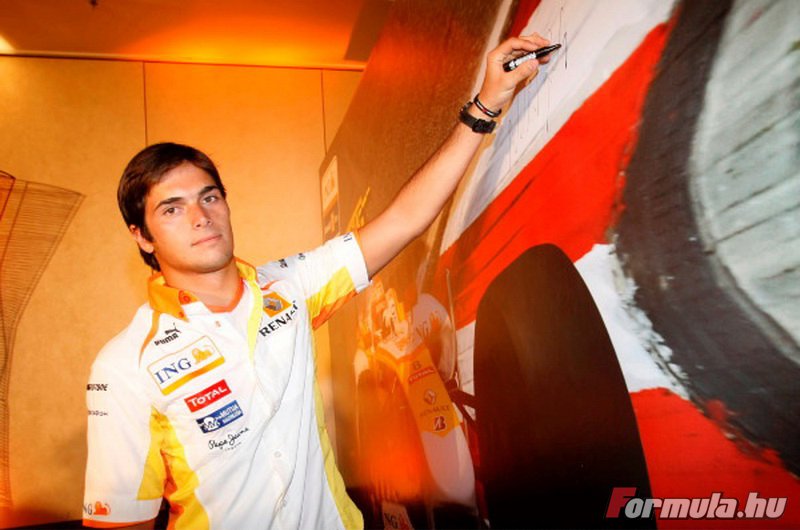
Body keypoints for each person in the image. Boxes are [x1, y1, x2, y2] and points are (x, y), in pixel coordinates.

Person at [82, 33, 551, 530]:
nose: (201, 217)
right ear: (142, 236)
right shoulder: (125, 365)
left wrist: (485, 106)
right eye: (172, 209)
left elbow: (404, 220)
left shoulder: (289, 287)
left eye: (210, 197)